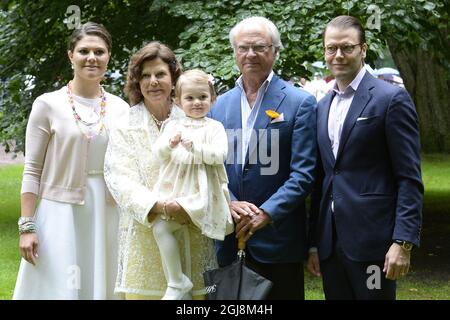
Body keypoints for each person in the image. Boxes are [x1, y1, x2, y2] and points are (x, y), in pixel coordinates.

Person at [307, 15, 423, 300]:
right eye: (331, 48)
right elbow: (323, 178)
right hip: (331, 245)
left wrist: (403, 242)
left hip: (375, 244)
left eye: (347, 47)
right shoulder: (322, 106)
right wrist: (314, 244)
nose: (338, 55)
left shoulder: (390, 99)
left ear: (363, 49)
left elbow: (408, 177)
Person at [13, 22, 129, 300]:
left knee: (102, 281)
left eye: (99, 52)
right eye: (84, 51)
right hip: (60, 210)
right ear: (71, 55)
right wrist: (27, 226)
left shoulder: (120, 108)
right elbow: (32, 170)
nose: (92, 57)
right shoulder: (47, 104)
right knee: (60, 286)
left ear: (108, 57)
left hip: (106, 211)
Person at [209, 16, 317, 300]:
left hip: (278, 241)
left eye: (259, 47)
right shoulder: (218, 106)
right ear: (234, 52)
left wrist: (266, 213)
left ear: (275, 51)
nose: (251, 54)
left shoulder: (299, 102)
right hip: (228, 238)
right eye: (243, 47)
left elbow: (304, 173)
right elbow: (211, 168)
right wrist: (229, 202)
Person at [103, 42, 218, 300]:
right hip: (145, 235)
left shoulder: (196, 119)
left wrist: (190, 206)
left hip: (192, 227)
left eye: (160, 74)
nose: (153, 82)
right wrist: (160, 206)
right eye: (145, 76)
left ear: (174, 79)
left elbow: (213, 169)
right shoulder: (125, 124)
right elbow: (119, 177)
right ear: (137, 81)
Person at [152, 69, 234, 299]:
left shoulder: (214, 127)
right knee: (160, 227)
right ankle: (177, 281)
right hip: (176, 187)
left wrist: (194, 147)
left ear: (212, 99)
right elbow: (158, 154)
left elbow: (219, 155)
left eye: (202, 97)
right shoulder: (173, 124)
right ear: (177, 101)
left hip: (202, 190)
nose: (196, 103)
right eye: (189, 98)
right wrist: (169, 144)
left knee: (172, 228)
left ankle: (181, 283)